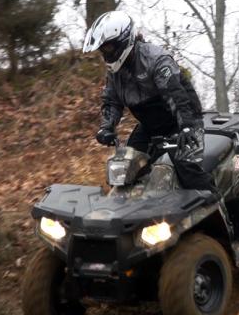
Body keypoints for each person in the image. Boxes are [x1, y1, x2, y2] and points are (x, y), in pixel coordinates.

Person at [82, 11, 216, 194]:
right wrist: (106, 127)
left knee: (189, 172)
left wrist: (186, 126)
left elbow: (176, 95)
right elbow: (112, 101)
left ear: (124, 40)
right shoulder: (115, 72)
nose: (106, 54)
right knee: (125, 170)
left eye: (108, 48)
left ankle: (218, 206)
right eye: (102, 49)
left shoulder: (155, 59)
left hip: (182, 119)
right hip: (150, 125)